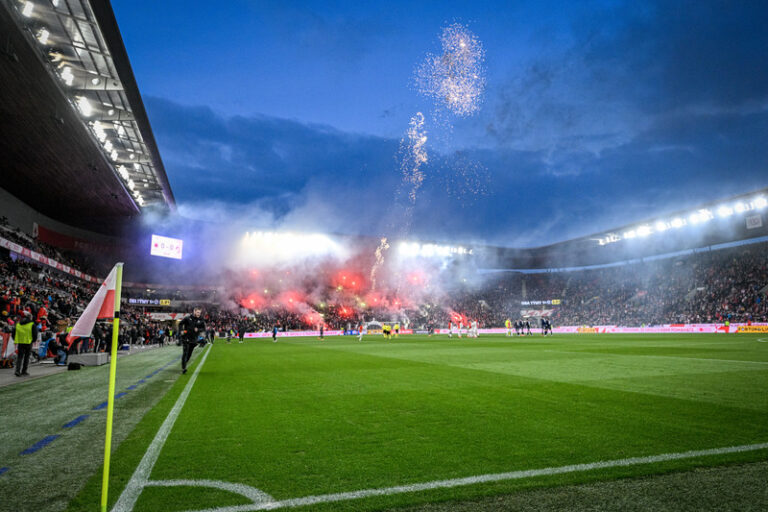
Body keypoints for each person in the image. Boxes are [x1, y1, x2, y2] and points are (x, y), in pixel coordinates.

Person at [179, 308, 206, 374]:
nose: (198, 314)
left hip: (194, 340)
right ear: (194, 312)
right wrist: (181, 331)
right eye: (197, 312)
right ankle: (184, 368)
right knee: (185, 352)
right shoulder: (187, 318)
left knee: (189, 354)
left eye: (199, 312)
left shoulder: (201, 320)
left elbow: (203, 328)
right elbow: (180, 324)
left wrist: (198, 330)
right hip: (186, 338)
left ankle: (184, 363)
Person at [14, 310, 38, 377]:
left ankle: (17, 371)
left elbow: (13, 332)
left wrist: (15, 339)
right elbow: (35, 334)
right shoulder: (32, 324)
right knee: (26, 357)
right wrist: (33, 340)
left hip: (20, 342)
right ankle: (24, 371)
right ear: (30, 317)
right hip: (28, 342)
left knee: (20, 357)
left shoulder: (18, 324)